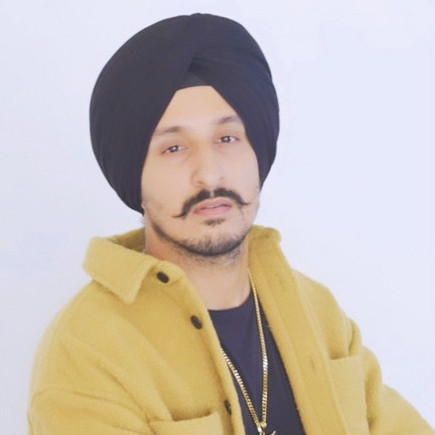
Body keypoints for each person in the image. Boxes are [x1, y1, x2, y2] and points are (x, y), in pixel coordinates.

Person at [27, 13, 433, 435]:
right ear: (134, 174)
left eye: (227, 139)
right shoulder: (87, 351)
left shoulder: (317, 310)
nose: (210, 173)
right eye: (174, 148)